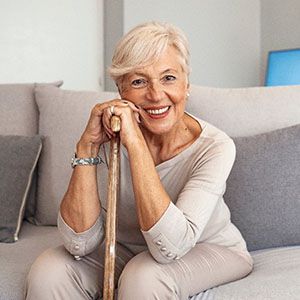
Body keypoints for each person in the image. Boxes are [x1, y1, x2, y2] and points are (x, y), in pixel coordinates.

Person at [25, 21, 253, 299]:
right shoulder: (108, 137)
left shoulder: (215, 147)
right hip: (126, 249)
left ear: (187, 84)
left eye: (168, 78)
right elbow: (78, 243)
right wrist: (88, 145)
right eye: (139, 81)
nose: (156, 94)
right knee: (49, 270)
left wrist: (135, 145)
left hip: (207, 249)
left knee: (143, 276)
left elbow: (169, 247)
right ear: (122, 91)